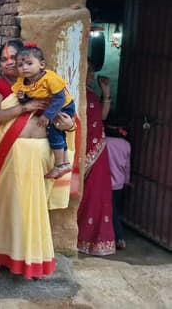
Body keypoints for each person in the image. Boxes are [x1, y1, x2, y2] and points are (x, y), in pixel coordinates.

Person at [0, 40, 76, 280]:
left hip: (42, 153)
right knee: (6, 206)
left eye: (14, 58)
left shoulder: (46, 82)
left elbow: (68, 115)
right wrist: (26, 108)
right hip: (12, 154)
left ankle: (33, 260)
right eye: (4, 59)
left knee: (33, 209)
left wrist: (69, 125)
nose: (11, 63)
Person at [12, 44, 76, 179]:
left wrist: (47, 115)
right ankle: (64, 162)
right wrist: (23, 98)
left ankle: (59, 164)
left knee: (53, 129)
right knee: (58, 131)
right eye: (20, 65)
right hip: (50, 107)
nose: (24, 67)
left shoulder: (49, 78)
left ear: (41, 65)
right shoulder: (22, 82)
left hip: (63, 106)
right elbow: (28, 100)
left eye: (29, 63)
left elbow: (60, 98)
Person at [77, 67, 116, 256]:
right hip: (85, 150)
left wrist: (106, 93)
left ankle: (97, 241)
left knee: (99, 195)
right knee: (87, 195)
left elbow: (102, 117)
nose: (92, 75)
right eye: (89, 72)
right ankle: (81, 238)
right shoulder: (76, 92)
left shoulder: (91, 93)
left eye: (92, 72)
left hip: (98, 149)